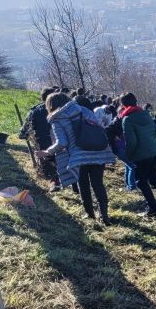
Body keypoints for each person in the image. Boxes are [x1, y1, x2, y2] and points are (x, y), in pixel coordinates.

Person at [36, 92, 115, 225]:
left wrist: (46, 152)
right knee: (98, 184)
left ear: (50, 105)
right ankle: (104, 216)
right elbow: (99, 126)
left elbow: (62, 143)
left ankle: (90, 215)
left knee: (83, 184)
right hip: (98, 151)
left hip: (79, 156)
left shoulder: (57, 118)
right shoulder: (83, 109)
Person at [120, 92, 156, 216]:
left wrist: (129, 155)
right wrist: (149, 141)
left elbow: (131, 142)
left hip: (140, 155)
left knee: (141, 181)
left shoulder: (127, 119)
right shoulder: (146, 114)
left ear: (123, 105)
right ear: (136, 102)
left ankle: (152, 208)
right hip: (153, 151)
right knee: (154, 178)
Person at [19, 87, 61, 191]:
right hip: (60, 142)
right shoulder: (61, 109)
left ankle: (54, 180)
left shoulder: (35, 111)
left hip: (42, 144)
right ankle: (56, 181)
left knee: (48, 163)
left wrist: (23, 134)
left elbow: (25, 129)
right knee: (58, 163)